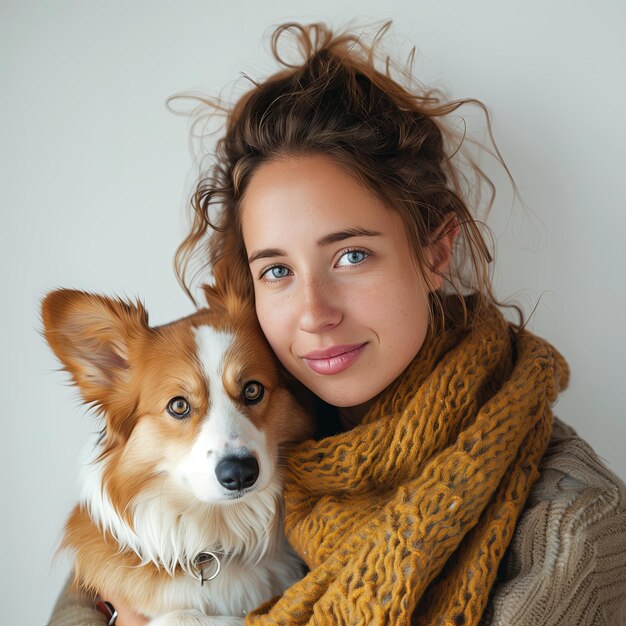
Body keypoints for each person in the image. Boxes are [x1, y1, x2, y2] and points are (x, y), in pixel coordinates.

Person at [48, 22, 626, 626]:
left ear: (434, 251)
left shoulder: (576, 529)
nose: (314, 315)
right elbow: (100, 572)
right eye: (277, 271)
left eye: (351, 256)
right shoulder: (263, 435)